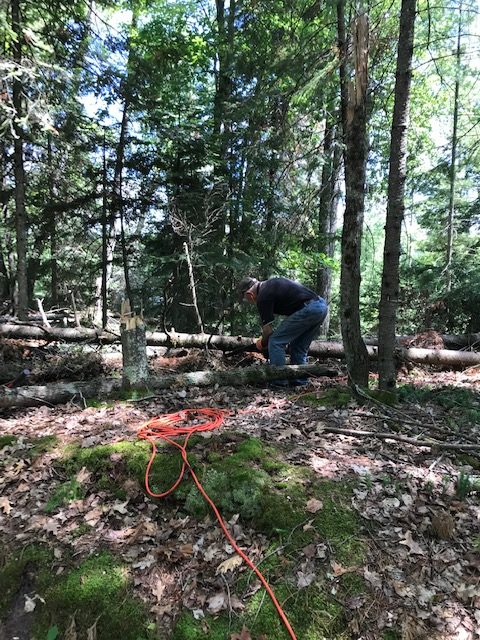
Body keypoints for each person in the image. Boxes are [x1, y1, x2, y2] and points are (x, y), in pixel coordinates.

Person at [237, 276, 328, 386]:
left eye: (246, 299)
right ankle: (299, 382)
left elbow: (268, 332)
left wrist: (261, 343)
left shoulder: (263, 296)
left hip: (310, 308)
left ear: (249, 294)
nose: (249, 302)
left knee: (276, 342)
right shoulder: (269, 284)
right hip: (321, 306)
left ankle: (279, 382)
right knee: (298, 346)